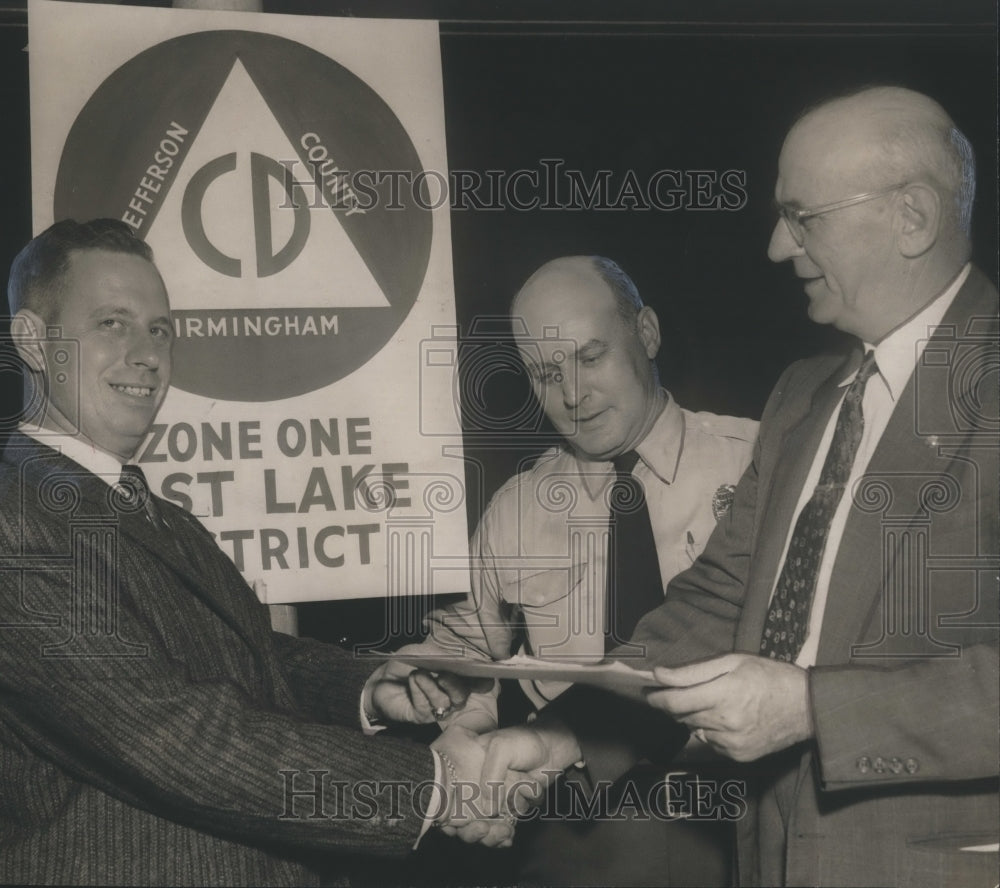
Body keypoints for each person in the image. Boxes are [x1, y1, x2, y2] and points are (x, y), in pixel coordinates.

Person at [479, 86, 999, 888]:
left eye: (804, 216)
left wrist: (812, 710)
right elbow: (719, 597)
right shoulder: (802, 398)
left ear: (912, 217)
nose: (776, 246)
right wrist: (571, 732)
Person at [0, 218, 510, 886]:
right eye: (112, 324)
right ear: (34, 341)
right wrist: (434, 784)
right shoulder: (16, 519)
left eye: (160, 329)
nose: (149, 355)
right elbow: (169, 734)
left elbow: (246, 658)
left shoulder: (163, 518)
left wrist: (367, 688)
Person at [368, 255, 757, 886]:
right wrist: (458, 732)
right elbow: (477, 669)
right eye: (547, 374)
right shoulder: (517, 510)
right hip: (580, 837)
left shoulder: (759, 465)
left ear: (648, 333)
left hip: (743, 823)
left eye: (591, 355)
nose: (573, 395)